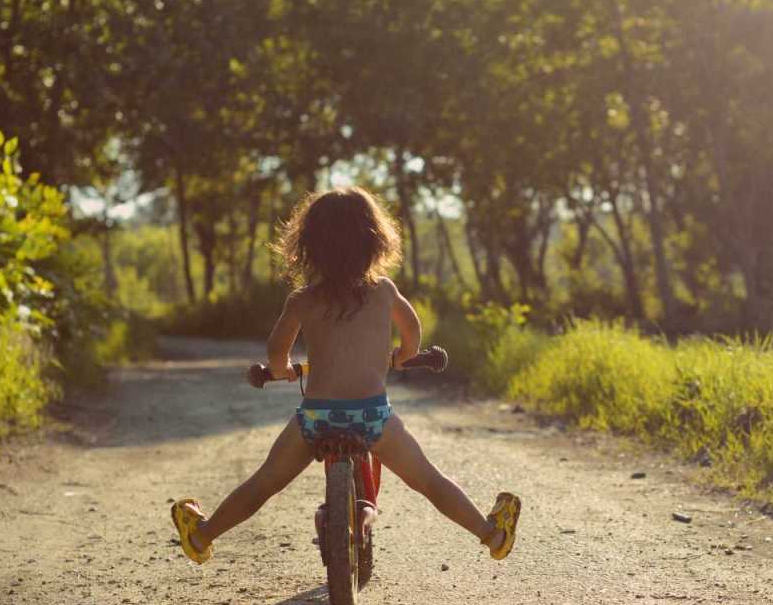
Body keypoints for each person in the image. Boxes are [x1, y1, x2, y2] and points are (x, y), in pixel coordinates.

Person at [171, 186, 520, 565]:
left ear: (309, 245)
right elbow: (412, 329)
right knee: (429, 481)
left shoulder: (303, 299)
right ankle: (493, 535)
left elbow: (276, 351)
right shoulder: (384, 291)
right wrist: (404, 356)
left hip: (317, 418)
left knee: (265, 482)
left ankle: (202, 536)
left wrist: (281, 370)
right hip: (373, 416)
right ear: (375, 240)